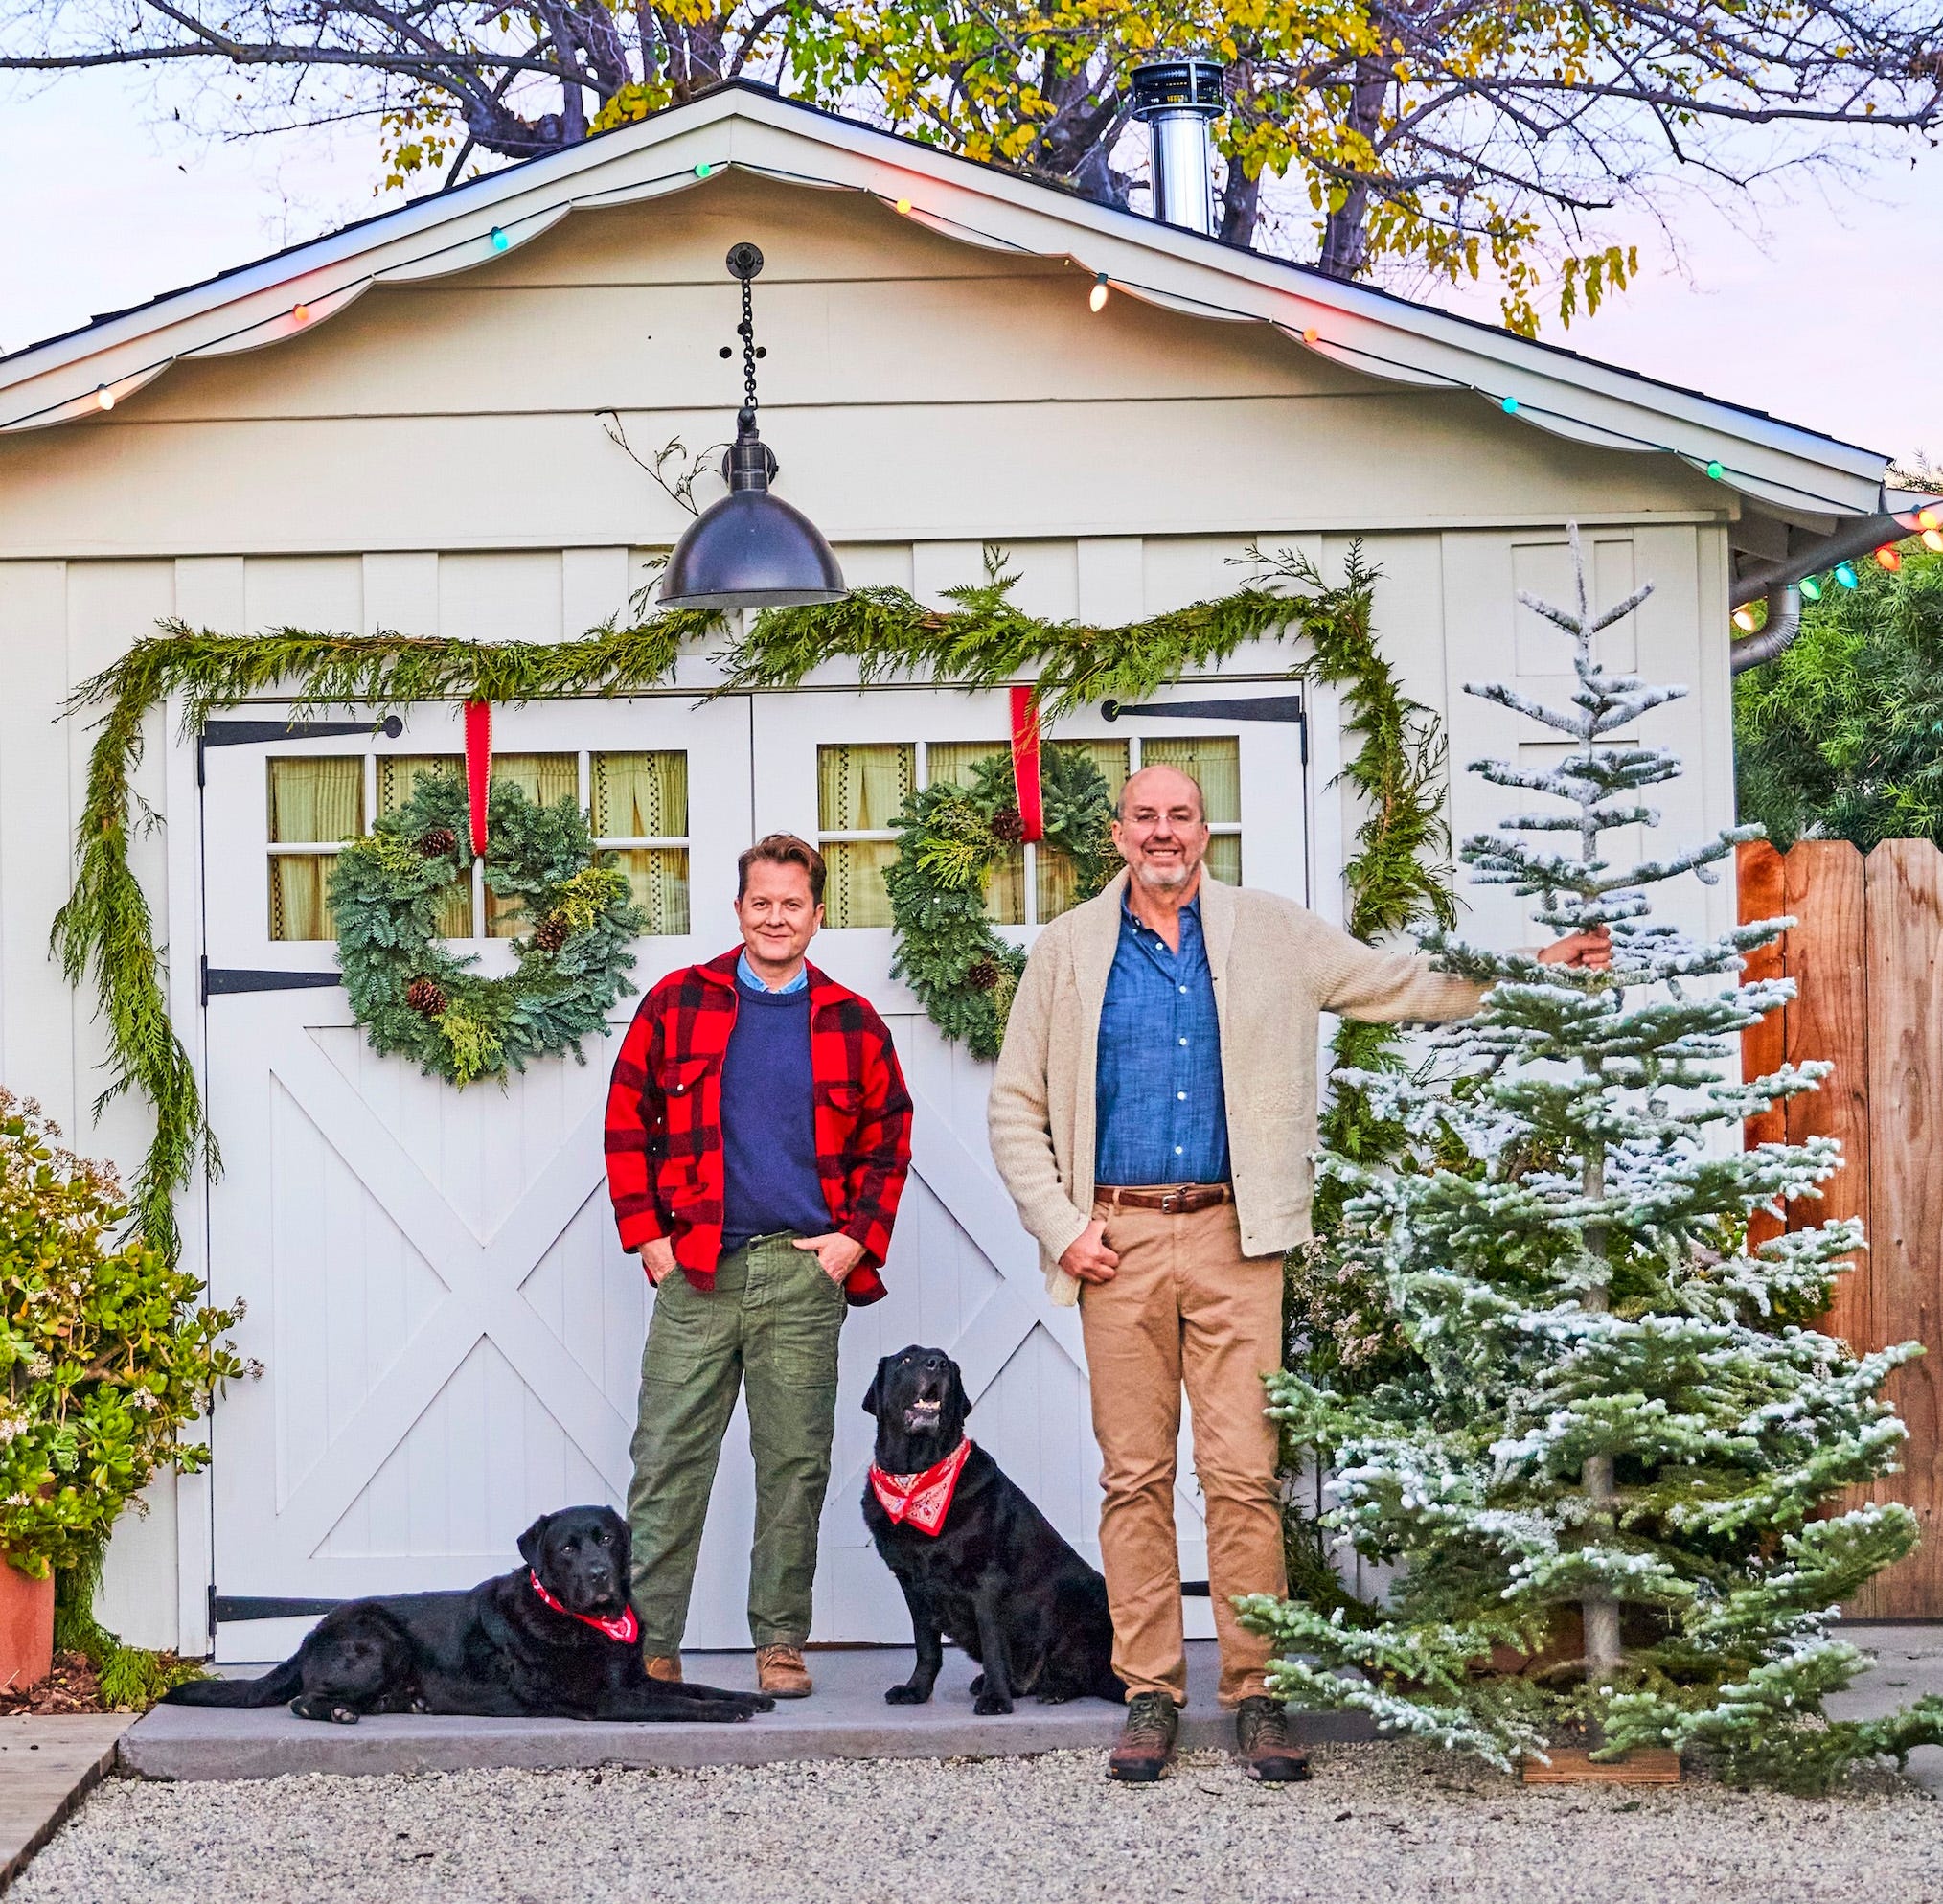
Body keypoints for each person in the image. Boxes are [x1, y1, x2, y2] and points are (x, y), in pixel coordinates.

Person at [988, 765, 1610, 1782]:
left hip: (1240, 1240)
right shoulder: (1066, 952)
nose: (1163, 832)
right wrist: (1062, 1228)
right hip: (1118, 1241)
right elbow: (1016, 1105)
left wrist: (1529, 964)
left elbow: (1396, 982)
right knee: (1134, 1476)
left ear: (1203, 831)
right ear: (1117, 835)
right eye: (1145, 816)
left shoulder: (1271, 931)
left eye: (1180, 816)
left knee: (1241, 1477)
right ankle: (1149, 1690)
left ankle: (1256, 1689)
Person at [604, 833, 913, 1699]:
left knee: (793, 1464)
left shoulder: (852, 1021)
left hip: (800, 1276)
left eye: (792, 904)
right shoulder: (677, 1002)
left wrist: (855, 1238)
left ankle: (779, 1639)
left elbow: (890, 1139)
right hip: (697, 1269)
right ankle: (649, 1642)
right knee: (667, 1458)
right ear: (738, 909)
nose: (776, 918)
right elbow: (626, 1120)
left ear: (818, 914)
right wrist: (649, 1236)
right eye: (760, 902)